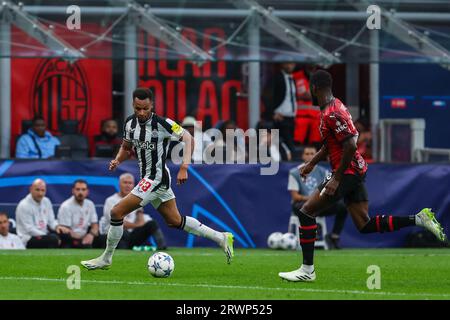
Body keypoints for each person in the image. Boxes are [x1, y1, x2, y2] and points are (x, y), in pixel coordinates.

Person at [278, 70, 447, 282]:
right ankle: (419, 219)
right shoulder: (334, 106)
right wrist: (312, 163)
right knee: (364, 224)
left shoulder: (332, 112)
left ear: (313, 88)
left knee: (306, 212)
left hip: (347, 172)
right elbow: (333, 144)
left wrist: (336, 178)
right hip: (354, 170)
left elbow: (350, 145)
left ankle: (307, 270)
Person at [81, 88, 234, 270]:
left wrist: (184, 166)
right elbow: (126, 146)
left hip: (156, 178)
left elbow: (188, 138)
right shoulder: (130, 123)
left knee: (116, 212)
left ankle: (106, 258)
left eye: (145, 108)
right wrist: (117, 160)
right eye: (138, 108)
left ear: (152, 105)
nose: (142, 112)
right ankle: (221, 237)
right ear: (133, 105)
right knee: (175, 221)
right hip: (150, 178)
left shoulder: (162, 123)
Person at [288, 145, 347, 249]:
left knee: (343, 206)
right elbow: (295, 197)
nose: (310, 156)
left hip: (318, 204)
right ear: (302, 156)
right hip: (302, 205)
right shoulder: (294, 173)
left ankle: (334, 236)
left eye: (313, 154)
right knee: (301, 207)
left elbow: (327, 191)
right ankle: (309, 238)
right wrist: (313, 199)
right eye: (307, 154)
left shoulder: (323, 172)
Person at [101, 173, 167, 250]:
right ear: (119, 184)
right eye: (125, 182)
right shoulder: (110, 201)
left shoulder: (136, 199)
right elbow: (118, 223)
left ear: (133, 185)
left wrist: (139, 214)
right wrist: (137, 225)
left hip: (131, 235)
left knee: (152, 224)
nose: (127, 185)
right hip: (115, 236)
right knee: (123, 232)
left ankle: (162, 247)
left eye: (130, 183)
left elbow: (142, 221)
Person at [15, 179, 70, 248]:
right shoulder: (24, 205)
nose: (40, 193)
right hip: (28, 238)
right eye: (37, 190)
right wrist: (47, 236)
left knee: (66, 235)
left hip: (44, 234)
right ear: (31, 189)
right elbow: (29, 229)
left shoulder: (46, 201)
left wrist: (57, 227)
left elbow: (51, 221)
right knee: (52, 239)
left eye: (42, 190)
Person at [262, 62, 298, 153]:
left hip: (291, 118)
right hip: (280, 118)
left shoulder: (292, 79)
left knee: (287, 146)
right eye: (287, 63)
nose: (290, 65)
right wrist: (272, 113)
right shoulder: (277, 78)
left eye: (292, 63)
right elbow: (265, 95)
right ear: (282, 64)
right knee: (289, 147)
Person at [57, 180, 101, 248]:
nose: (80, 192)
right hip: (70, 238)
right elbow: (65, 230)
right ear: (73, 191)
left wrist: (91, 235)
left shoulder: (90, 204)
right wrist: (82, 239)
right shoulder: (66, 206)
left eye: (83, 189)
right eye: (78, 189)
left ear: (87, 192)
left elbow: (95, 225)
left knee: (102, 238)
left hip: (85, 235)